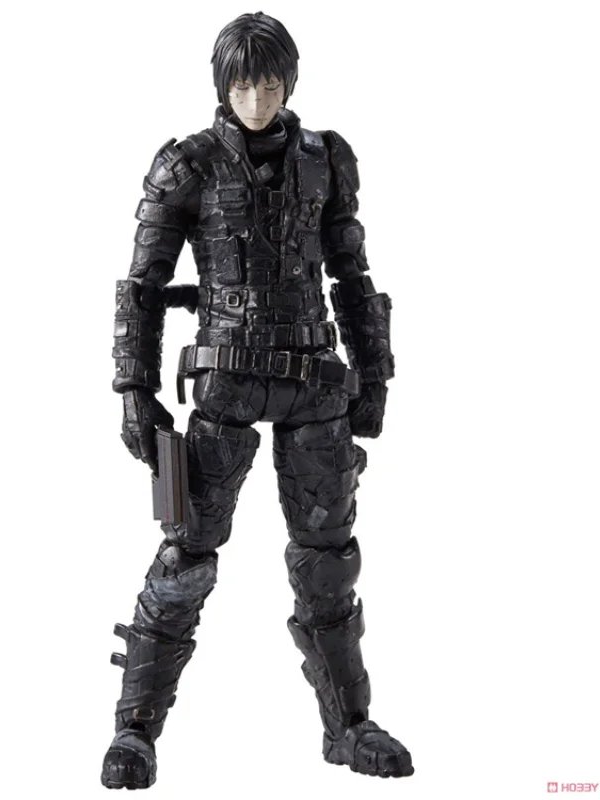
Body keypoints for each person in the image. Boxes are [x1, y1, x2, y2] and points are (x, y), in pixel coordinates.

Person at [102, 11, 413, 789]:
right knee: (187, 555)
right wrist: (135, 389)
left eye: (270, 83)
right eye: (242, 84)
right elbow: (141, 288)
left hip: (315, 381)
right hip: (225, 385)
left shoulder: (326, 160)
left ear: (289, 82)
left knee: (328, 563)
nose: (256, 98)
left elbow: (352, 273)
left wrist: (374, 375)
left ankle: (349, 726)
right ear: (223, 85)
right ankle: (134, 730)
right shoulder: (187, 165)